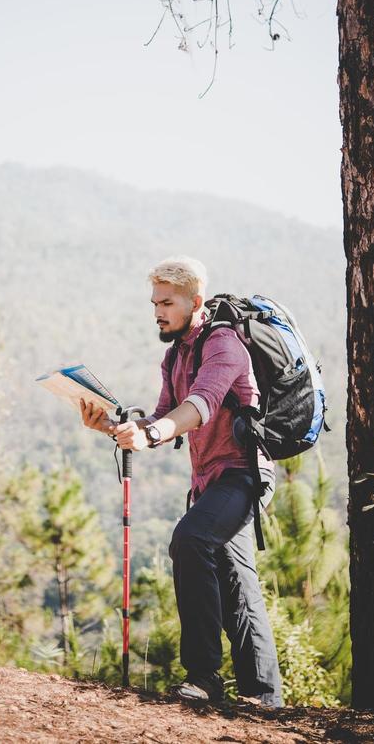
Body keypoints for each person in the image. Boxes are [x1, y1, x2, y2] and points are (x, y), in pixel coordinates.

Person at [80, 256, 282, 706]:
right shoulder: (175, 355)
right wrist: (113, 427)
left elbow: (200, 405)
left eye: (167, 302)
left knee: (190, 540)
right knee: (238, 585)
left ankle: (205, 677)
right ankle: (264, 699)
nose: (157, 311)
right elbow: (162, 416)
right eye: (154, 302)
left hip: (244, 474)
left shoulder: (224, 345)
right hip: (210, 483)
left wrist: (151, 432)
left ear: (196, 301)